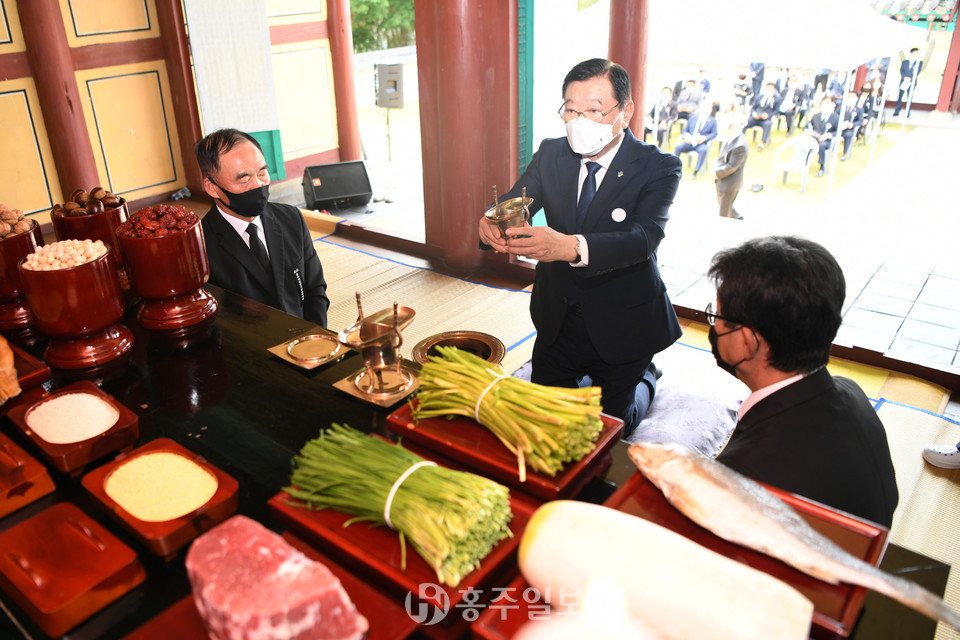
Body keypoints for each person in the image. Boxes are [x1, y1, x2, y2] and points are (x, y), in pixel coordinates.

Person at [478, 58, 682, 437]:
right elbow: (514, 201)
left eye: (594, 110)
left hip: (624, 320)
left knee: (606, 431)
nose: (579, 120)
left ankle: (646, 382)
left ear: (626, 112)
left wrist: (571, 247)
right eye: (571, 109)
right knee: (542, 420)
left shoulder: (658, 166)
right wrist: (490, 219)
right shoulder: (552, 153)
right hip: (558, 315)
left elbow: (644, 238)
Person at [708, 236, 899, 527]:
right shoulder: (851, 391)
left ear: (746, 342)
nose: (714, 325)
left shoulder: (742, 476)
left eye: (717, 316)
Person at [196, 128, 330, 326]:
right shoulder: (200, 246)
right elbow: (216, 323)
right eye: (243, 179)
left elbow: (315, 289)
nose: (258, 185)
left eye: (262, 172)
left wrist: (314, 337)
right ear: (212, 187)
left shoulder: (291, 219)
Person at [713, 113, 748, 220]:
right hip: (723, 180)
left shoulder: (740, 145)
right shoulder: (731, 139)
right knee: (725, 206)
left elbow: (732, 166)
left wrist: (717, 173)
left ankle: (736, 219)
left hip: (730, 182)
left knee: (724, 212)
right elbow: (722, 157)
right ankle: (737, 217)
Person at [674, 100, 717, 179]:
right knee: (678, 147)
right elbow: (685, 130)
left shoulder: (712, 121)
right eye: (703, 108)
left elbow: (714, 133)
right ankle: (675, 168)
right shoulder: (693, 118)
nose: (705, 110)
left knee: (703, 150)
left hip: (701, 143)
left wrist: (705, 138)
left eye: (707, 108)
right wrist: (686, 135)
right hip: (689, 142)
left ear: (711, 110)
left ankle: (695, 172)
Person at [805, 97, 839, 177]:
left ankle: (821, 167)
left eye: (828, 103)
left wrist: (828, 135)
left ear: (833, 104)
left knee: (822, 146)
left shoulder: (836, 117)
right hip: (815, 138)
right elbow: (807, 126)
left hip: (826, 141)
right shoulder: (816, 115)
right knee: (806, 143)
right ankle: (805, 162)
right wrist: (807, 131)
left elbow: (838, 131)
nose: (825, 105)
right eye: (824, 103)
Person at [745, 82, 779, 150]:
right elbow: (753, 108)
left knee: (767, 124)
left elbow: (776, 111)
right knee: (745, 122)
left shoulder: (776, 99)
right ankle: (741, 138)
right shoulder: (759, 97)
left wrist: (768, 115)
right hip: (755, 118)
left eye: (771, 89)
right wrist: (754, 113)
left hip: (766, 119)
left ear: (774, 90)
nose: (769, 90)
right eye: (768, 88)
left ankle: (762, 142)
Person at [893, 47, 922, 117]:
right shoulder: (905, 62)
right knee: (900, 96)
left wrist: (910, 78)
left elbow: (917, 72)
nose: (915, 55)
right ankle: (897, 111)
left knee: (909, 97)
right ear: (911, 54)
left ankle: (907, 113)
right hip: (904, 81)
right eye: (914, 53)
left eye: (917, 54)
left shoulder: (919, 63)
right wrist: (904, 77)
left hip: (911, 82)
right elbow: (901, 70)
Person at [839, 89, 863, 161]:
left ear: (856, 98)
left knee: (848, 135)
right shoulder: (842, 107)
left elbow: (860, 121)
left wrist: (852, 124)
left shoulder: (859, 110)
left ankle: (844, 153)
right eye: (849, 97)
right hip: (839, 127)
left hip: (849, 129)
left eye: (852, 97)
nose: (850, 99)